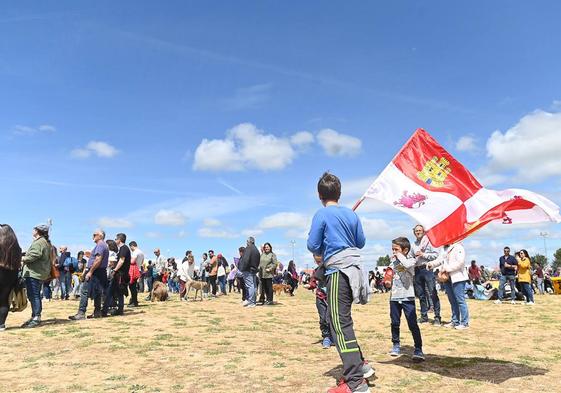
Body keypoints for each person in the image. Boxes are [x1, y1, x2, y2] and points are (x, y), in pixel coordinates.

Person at [307, 172, 372, 393]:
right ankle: (360, 365)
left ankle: (355, 382)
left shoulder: (321, 214)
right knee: (342, 321)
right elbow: (361, 242)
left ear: (319, 195)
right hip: (354, 270)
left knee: (337, 324)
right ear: (340, 193)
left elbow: (313, 245)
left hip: (337, 272)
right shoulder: (351, 215)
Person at [388, 237, 424, 360]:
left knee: (412, 323)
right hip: (394, 297)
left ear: (405, 250)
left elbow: (407, 267)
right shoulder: (393, 262)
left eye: (396, 249)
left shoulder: (411, 260)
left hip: (407, 297)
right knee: (395, 322)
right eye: (392, 249)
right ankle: (396, 344)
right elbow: (392, 275)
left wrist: (399, 257)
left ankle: (418, 348)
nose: (394, 252)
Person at [428, 242, 470, 330]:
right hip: (447, 278)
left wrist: (447, 268)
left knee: (460, 300)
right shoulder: (443, 249)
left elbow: (460, 262)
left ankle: (465, 323)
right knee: (452, 301)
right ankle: (455, 321)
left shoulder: (458, 247)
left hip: (457, 277)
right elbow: (439, 260)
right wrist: (431, 264)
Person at [69, 229, 109, 320]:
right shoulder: (104, 245)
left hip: (95, 271)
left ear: (100, 236)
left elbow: (98, 259)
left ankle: (81, 313)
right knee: (98, 292)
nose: (93, 237)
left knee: (84, 291)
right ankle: (97, 312)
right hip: (100, 271)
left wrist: (90, 272)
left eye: (94, 235)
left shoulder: (100, 245)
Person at [21, 224, 53, 328]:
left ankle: (36, 317)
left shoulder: (39, 242)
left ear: (37, 231)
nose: (32, 231)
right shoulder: (44, 242)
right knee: (34, 295)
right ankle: (35, 315)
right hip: (38, 273)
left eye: (34, 229)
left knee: (34, 296)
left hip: (34, 273)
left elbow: (35, 255)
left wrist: (23, 258)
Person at [411, 225, 441, 326]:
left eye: (420, 230)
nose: (418, 232)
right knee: (421, 295)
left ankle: (437, 317)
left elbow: (436, 255)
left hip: (427, 269)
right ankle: (424, 316)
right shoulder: (413, 244)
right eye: (416, 231)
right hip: (417, 270)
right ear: (414, 233)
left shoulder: (429, 241)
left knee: (432, 293)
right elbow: (411, 257)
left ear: (423, 232)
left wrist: (423, 255)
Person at [306, 254, 334, 349]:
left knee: (330, 318)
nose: (319, 263)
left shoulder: (332, 270)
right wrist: (310, 286)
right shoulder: (316, 271)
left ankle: (333, 337)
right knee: (323, 319)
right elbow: (313, 282)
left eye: (320, 261)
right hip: (320, 297)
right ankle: (326, 337)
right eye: (317, 262)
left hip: (331, 298)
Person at [0, 224, 22, 331]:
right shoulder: (17, 247)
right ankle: (1, 324)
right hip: (11, 275)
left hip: (1, 271)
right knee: (4, 300)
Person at [238, 237, 260, 308]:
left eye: (247, 241)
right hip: (253, 270)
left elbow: (246, 260)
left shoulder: (248, 248)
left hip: (248, 270)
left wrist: (242, 268)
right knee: (253, 286)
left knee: (250, 286)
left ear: (249, 242)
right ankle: (253, 301)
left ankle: (251, 302)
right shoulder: (256, 250)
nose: (246, 243)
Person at [129, 241, 143, 307]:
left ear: (132, 246)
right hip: (139, 269)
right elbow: (142, 262)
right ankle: (134, 301)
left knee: (132, 287)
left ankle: (134, 302)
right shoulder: (141, 252)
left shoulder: (135, 252)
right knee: (134, 287)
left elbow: (132, 261)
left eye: (130, 247)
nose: (130, 249)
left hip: (134, 270)